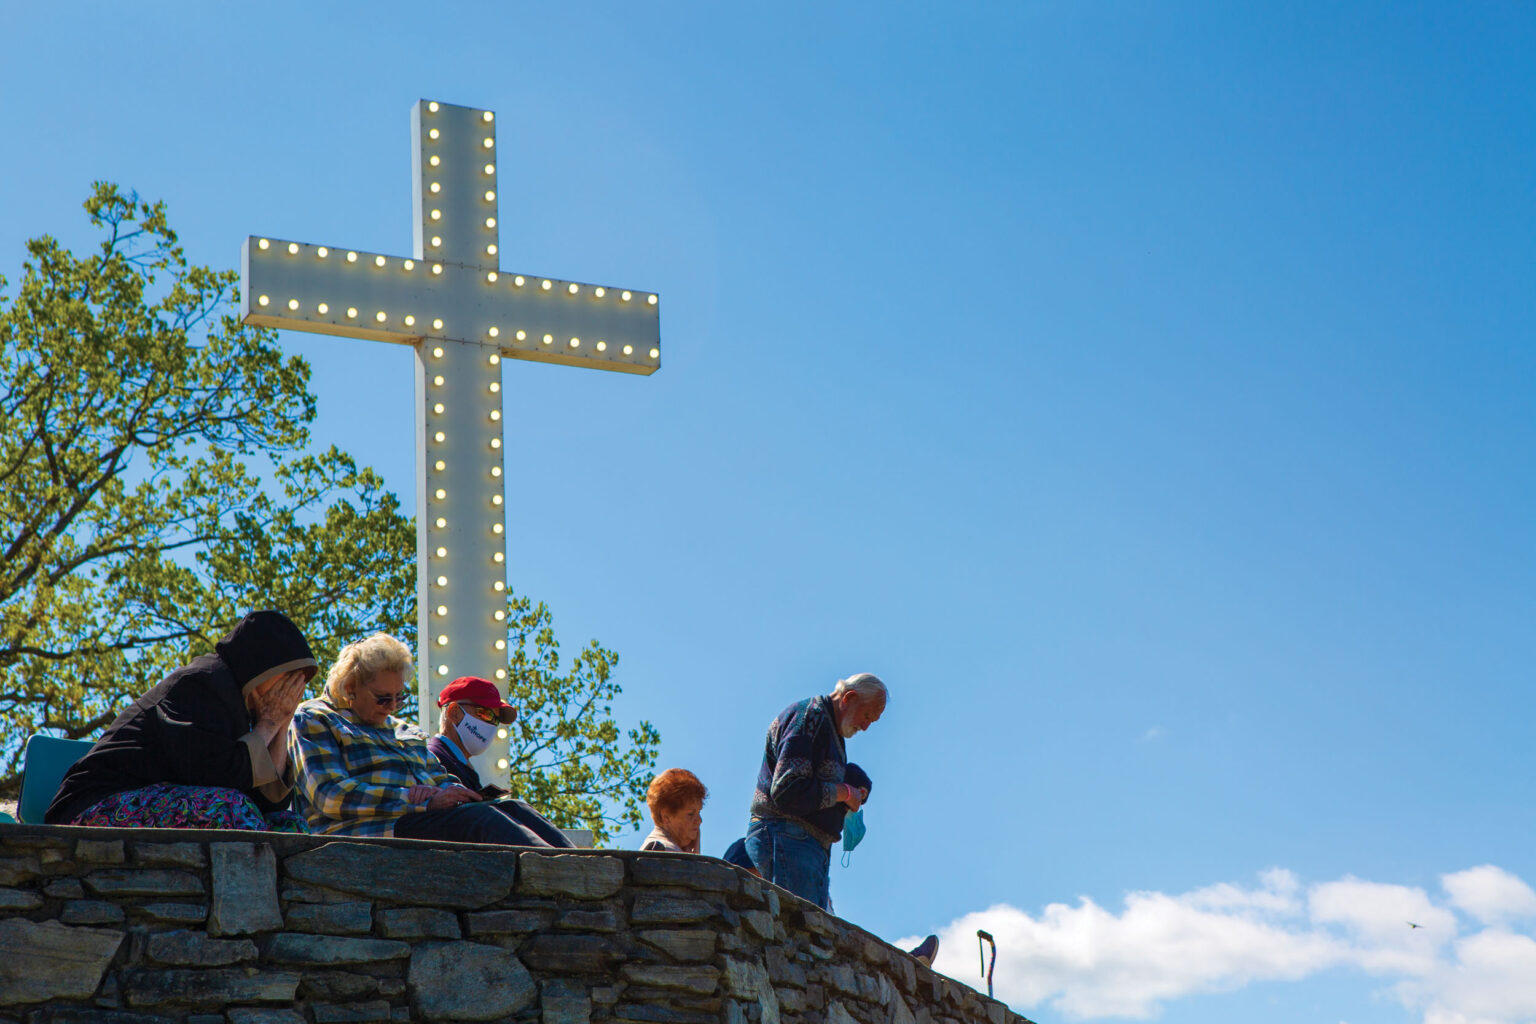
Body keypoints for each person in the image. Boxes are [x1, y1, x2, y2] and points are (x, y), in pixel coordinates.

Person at [46, 610, 317, 830]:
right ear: (262, 664)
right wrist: (268, 723)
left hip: (167, 804)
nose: (291, 690)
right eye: (288, 676)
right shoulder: (202, 683)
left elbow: (268, 804)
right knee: (230, 809)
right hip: (95, 806)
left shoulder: (254, 712)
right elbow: (214, 775)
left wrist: (281, 723)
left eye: (299, 682)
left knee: (290, 826)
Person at [288, 634, 569, 846]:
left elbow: (439, 779)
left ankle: (581, 865)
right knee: (481, 821)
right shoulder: (314, 718)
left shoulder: (404, 730)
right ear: (350, 687)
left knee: (512, 808)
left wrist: (455, 793)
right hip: (363, 834)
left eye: (400, 698)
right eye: (383, 698)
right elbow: (330, 795)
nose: (391, 707)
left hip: (416, 820)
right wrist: (413, 799)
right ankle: (560, 873)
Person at [744, 672, 886, 910]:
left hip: (803, 844)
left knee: (807, 936)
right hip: (788, 837)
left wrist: (853, 785)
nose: (865, 726)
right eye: (867, 716)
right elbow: (788, 790)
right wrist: (843, 793)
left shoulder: (830, 727)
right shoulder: (810, 717)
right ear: (849, 697)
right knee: (797, 933)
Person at [425, 675, 573, 848]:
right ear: (454, 712)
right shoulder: (432, 755)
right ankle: (559, 865)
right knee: (500, 812)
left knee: (516, 808)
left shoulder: (462, 764)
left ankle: (573, 861)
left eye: (496, 720)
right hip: (434, 842)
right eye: (484, 714)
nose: (492, 725)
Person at [641, 768, 707, 852]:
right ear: (666, 816)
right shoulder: (663, 851)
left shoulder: (666, 849)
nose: (699, 821)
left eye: (699, 812)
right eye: (691, 814)